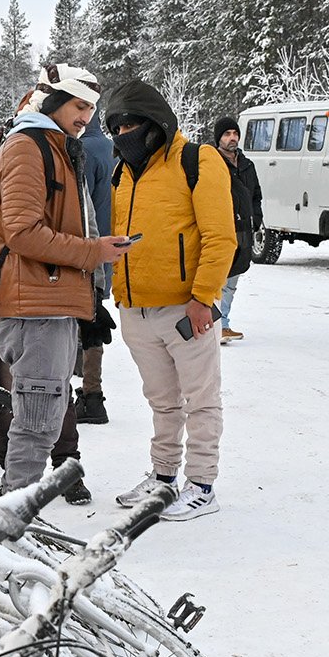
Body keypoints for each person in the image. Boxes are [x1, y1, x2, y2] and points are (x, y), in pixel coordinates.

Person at [0, 64, 128, 496]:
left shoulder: (55, 146)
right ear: (52, 102)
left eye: (91, 108)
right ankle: (8, 528)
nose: (86, 117)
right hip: (36, 305)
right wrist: (93, 252)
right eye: (79, 106)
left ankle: (9, 521)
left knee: (41, 423)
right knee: (34, 428)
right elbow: (22, 231)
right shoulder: (28, 147)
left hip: (50, 300)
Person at [103, 79, 235, 522]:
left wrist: (203, 297)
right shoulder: (123, 172)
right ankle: (163, 479)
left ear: (154, 123)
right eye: (115, 128)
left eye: (129, 126)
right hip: (135, 308)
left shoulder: (199, 160)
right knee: (161, 401)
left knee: (201, 399)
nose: (123, 136)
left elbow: (221, 237)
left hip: (185, 309)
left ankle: (201, 484)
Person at [74, 109, 117, 424]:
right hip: (110, 245)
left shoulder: (84, 151)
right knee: (94, 316)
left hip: (88, 248)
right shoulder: (112, 148)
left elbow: (79, 204)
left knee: (84, 321)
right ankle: (91, 393)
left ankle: (90, 396)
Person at [210, 116, 262, 344]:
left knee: (233, 279)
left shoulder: (247, 165)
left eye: (234, 134)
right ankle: (214, 325)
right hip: (221, 228)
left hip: (243, 230)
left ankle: (223, 323)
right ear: (218, 138)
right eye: (226, 134)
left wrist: (256, 218)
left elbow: (255, 195)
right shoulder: (211, 162)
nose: (232, 138)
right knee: (217, 278)